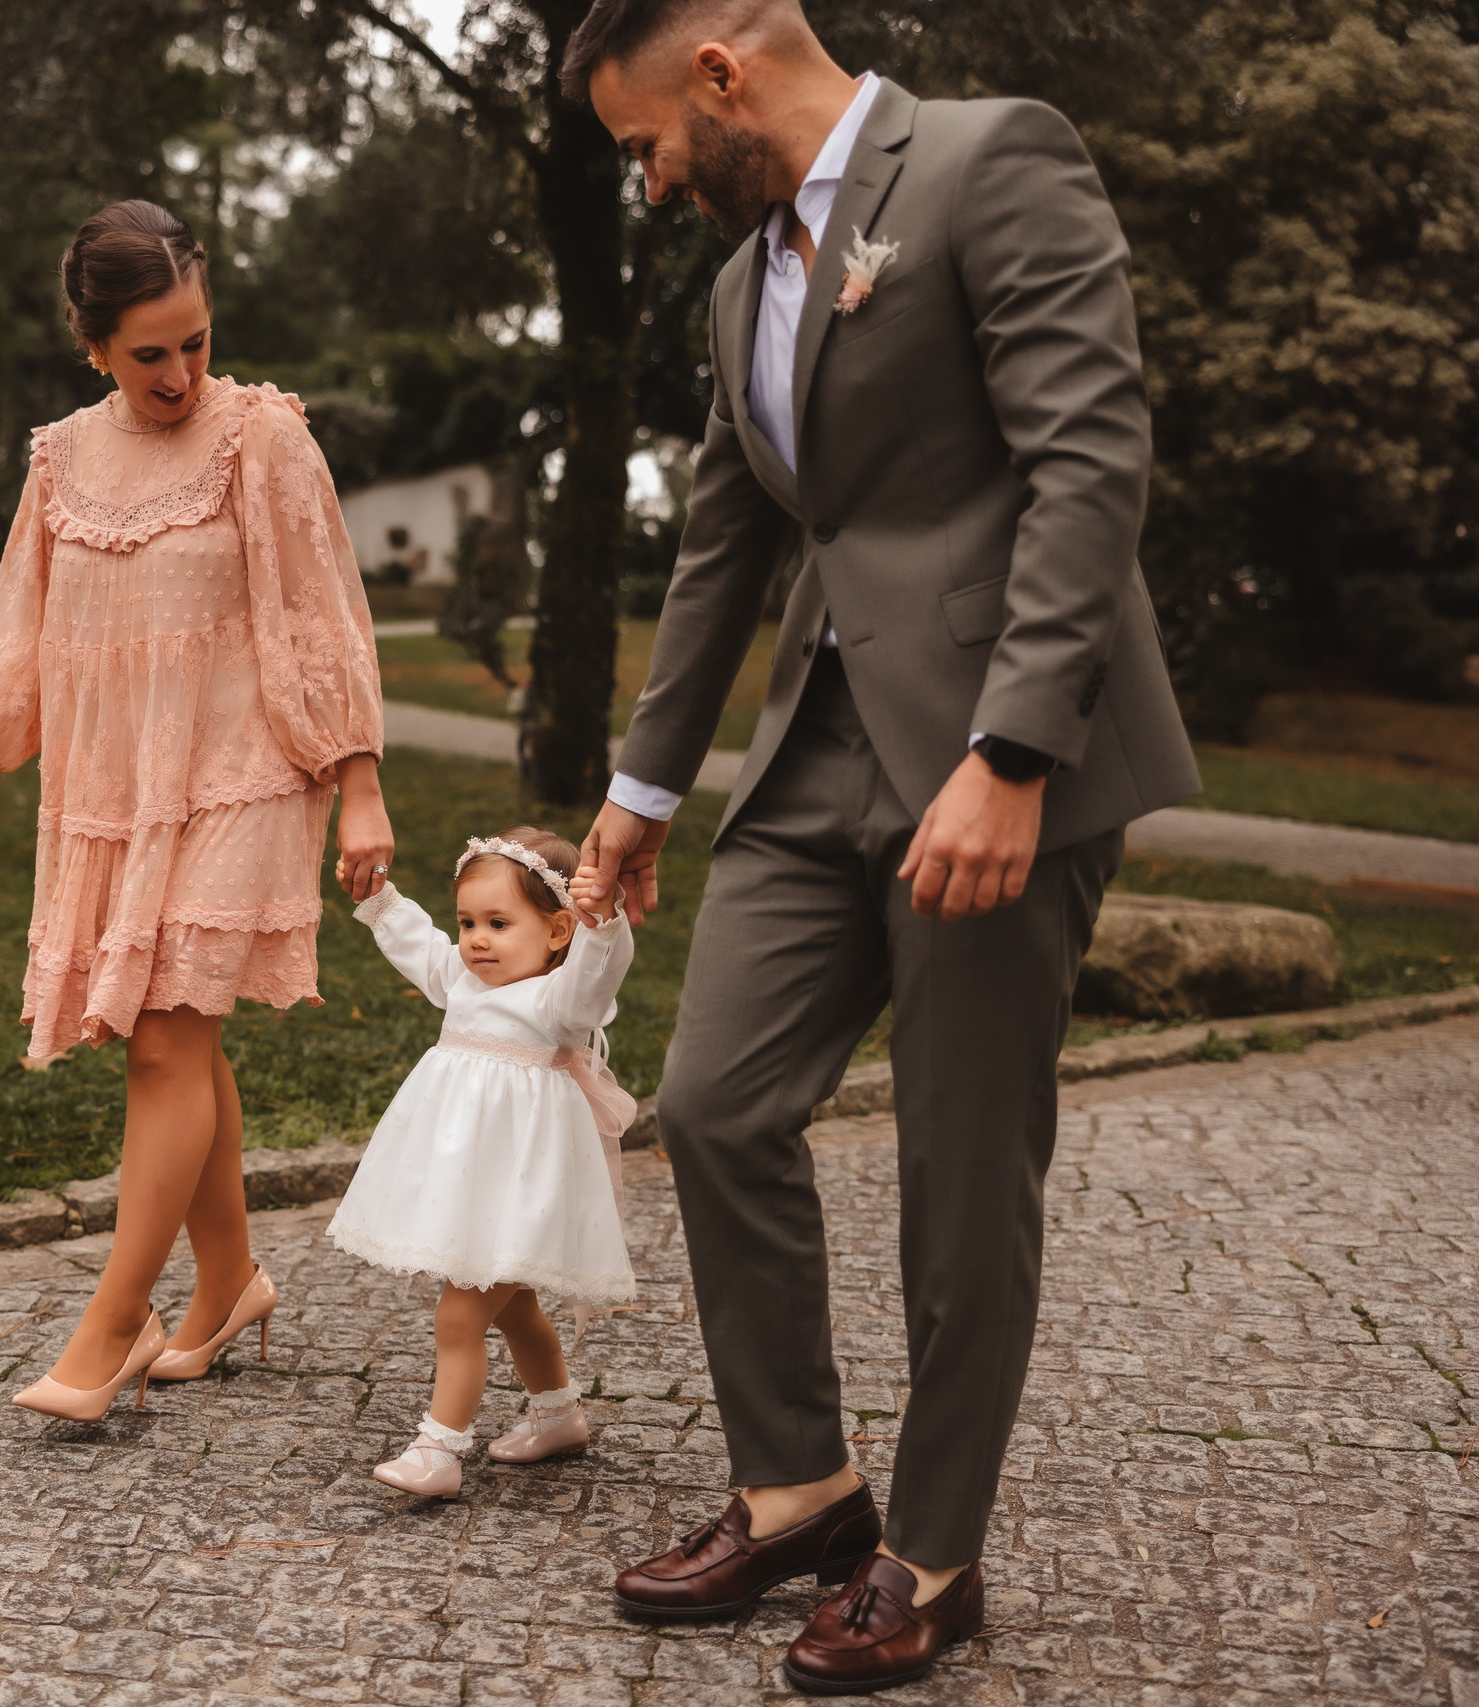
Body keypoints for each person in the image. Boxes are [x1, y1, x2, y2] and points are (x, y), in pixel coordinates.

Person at [557, 0, 1200, 1693]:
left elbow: (1089, 457)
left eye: (646, 146)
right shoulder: (733, 283)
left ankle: (930, 1555)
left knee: (958, 1163)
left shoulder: (996, 161)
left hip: (1000, 754)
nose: (647, 184)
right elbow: (726, 540)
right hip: (816, 745)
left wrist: (1013, 749)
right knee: (713, 1100)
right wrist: (639, 793)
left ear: (719, 74)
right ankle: (804, 1489)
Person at [0, 199, 393, 1422]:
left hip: (241, 771)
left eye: (195, 340)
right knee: (170, 1039)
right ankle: (227, 1282)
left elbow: (319, 609)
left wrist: (358, 781)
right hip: (117, 786)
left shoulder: (260, 437)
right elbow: (22, 606)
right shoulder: (61, 456)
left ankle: (112, 1325)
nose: (180, 373)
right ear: (92, 347)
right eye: (149, 353)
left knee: (171, 1036)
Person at [324, 828, 642, 1500]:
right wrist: (380, 897)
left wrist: (604, 921)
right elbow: (420, 943)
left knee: (460, 1316)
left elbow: (596, 974)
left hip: (520, 1186)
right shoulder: (463, 979)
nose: (477, 939)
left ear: (558, 931)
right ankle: (558, 1415)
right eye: (469, 921)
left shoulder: (557, 1004)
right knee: (517, 1308)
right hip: (470, 1184)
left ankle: (438, 1448)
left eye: (499, 923)